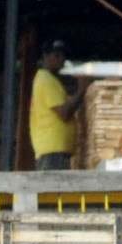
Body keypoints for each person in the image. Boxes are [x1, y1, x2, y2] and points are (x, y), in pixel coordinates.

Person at [29, 43, 81, 171]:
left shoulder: (50, 80)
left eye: (63, 55)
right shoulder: (46, 80)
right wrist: (82, 89)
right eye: (56, 55)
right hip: (52, 151)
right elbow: (64, 112)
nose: (61, 59)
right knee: (54, 188)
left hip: (54, 151)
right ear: (45, 57)